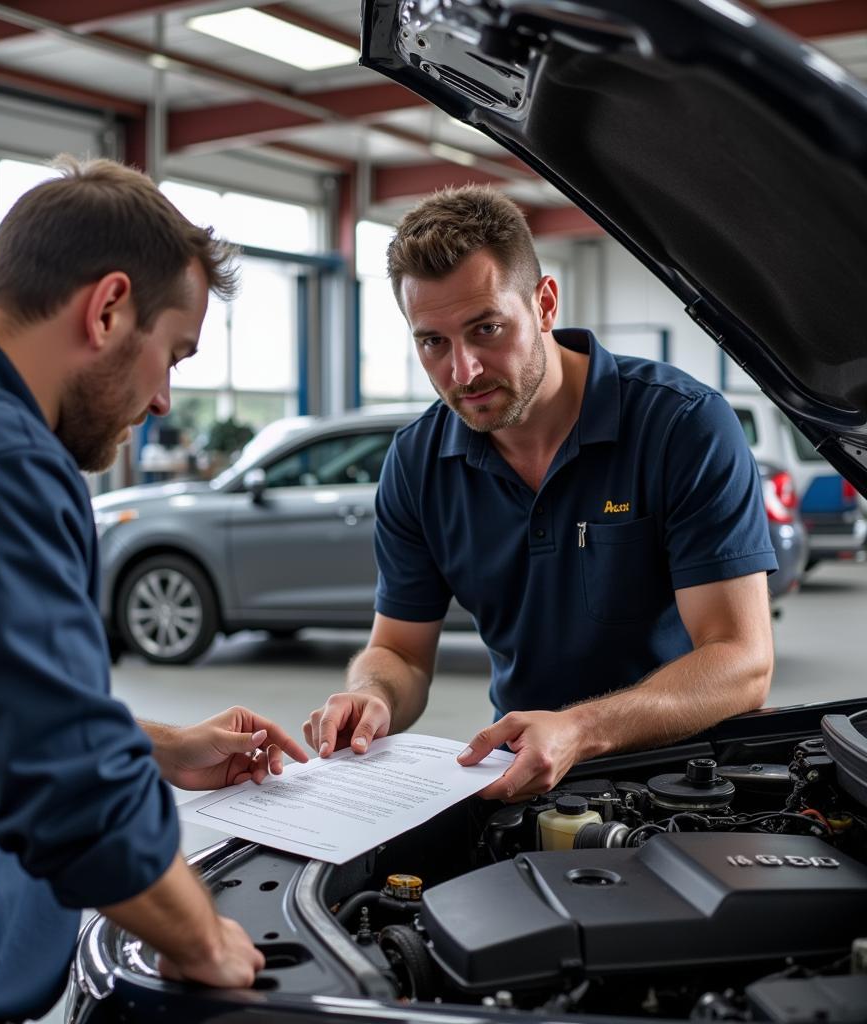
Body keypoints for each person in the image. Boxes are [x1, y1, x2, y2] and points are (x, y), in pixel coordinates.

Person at [0, 157, 307, 1022]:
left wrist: (160, 748)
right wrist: (204, 940)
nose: (165, 398)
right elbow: (68, 788)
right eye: (173, 352)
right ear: (107, 309)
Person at [304, 185, 776, 801]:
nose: (463, 370)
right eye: (433, 342)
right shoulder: (419, 461)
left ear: (545, 302)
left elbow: (741, 662)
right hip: (526, 778)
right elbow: (400, 650)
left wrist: (579, 728)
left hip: (688, 780)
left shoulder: (681, 425)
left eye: (488, 329)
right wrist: (372, 694)